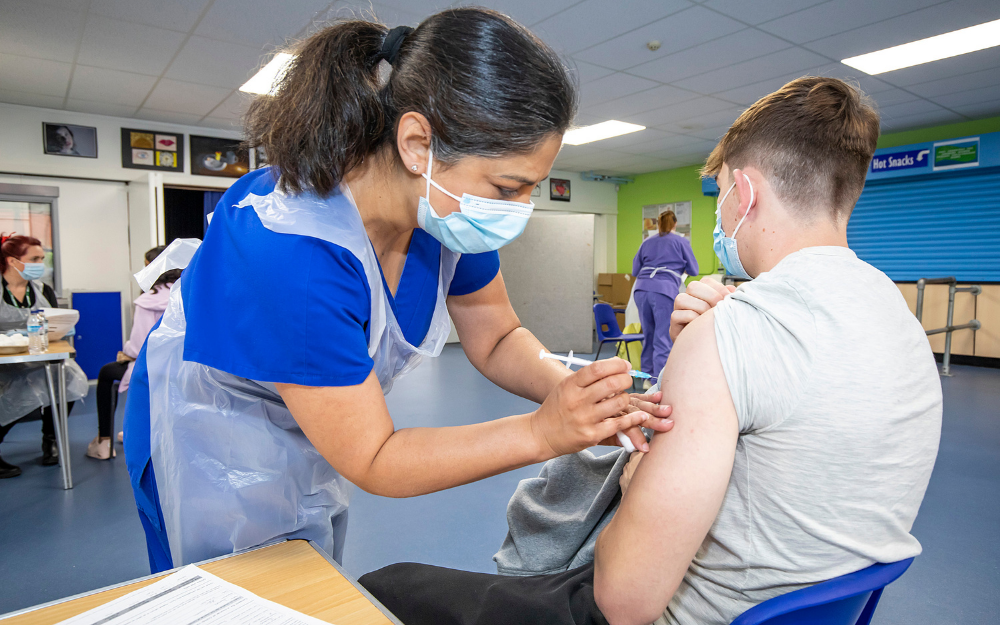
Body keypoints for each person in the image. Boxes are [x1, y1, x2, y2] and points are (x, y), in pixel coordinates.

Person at [359, 77, 943, 625]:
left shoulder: (733, 332)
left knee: (384, 586)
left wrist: (641, 462)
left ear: (743, 192)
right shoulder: (900, 319)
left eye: (719, 196)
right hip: (807, 605)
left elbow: (624, 600)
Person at [124, 9, 673, 574]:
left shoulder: (444, 212)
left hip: (316, 414)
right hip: (214, 422)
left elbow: (498, 333)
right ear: (417, 144)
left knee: (308, 564)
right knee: (237, 586)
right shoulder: (294, 254)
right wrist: (543, 431)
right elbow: (375, 456)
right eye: (509, 187)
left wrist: (578, 396)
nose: (518, 210)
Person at [0, 234, 88, 478]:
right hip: (4, 361)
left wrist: (62, 327)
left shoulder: (42, 290)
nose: (40, 264)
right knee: (11, 391)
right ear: (12, 261)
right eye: (35, 258)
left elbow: (55, 320)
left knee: (66, 375)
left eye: (42, 258)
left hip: (37, 356)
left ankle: (51, 440)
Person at [88, 246, 176, 460]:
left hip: (154, 364)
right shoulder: (188, 290)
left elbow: (138, 345)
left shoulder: (148, 298)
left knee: (107, 373)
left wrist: (126, 353)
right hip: (184, 363)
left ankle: (104, 442)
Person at [631, 210, 698, 376]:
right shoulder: (680, 242)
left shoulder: (647, 242)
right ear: (675, 224)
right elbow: (694, 270)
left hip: (641, 290)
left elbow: (634, 270)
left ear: (657, 224)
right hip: (663, 291)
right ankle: (657, 380)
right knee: (662, 338)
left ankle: (646, 376)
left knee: (648, 335)